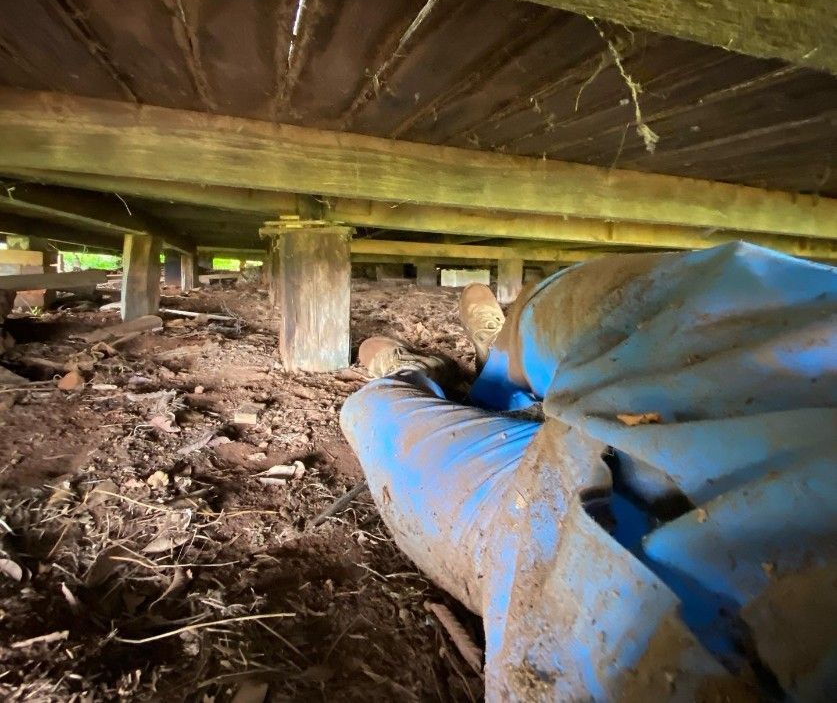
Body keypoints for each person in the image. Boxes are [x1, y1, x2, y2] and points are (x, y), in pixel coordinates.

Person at [340, 242, 837, 701]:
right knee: (580, 309)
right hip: (724, 353)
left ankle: (417, 374)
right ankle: (499, 371)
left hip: (574, 533)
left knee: (375, 410)